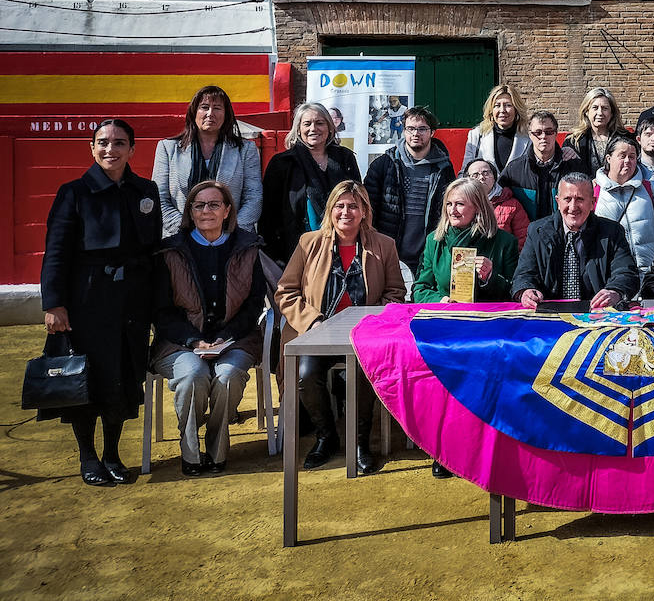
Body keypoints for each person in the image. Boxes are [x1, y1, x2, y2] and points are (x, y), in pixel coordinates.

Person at [41, 118, 162, 487]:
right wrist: (55, 303)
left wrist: (156, 304)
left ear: (132, 149)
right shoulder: (73, 192)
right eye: (103, 142)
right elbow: (56, 252)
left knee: (123, 377)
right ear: (92, 148)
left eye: (119, 143)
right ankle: (88, 456)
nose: (111, 149)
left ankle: (112, 453)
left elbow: (154, 249)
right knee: (85, 379)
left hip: (132, 301)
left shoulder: (146, 189)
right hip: (86, 300)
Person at [276, 180, 405, 475]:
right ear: (330, 210)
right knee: (306, 373)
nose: (346, 212)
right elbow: (286, 292)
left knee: (362, 371)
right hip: (316, 335)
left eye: (353, 206)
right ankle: (326, 436)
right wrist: (313, 321)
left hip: (363, 338)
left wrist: (371, 323)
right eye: (340, 205)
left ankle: (359, 443)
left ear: (364, 211)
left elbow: (396, 293)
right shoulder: (308, 243)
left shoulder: (384, 245)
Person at [150, 180, 267, 476]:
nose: (206, 211)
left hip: (235, 339)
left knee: (227, 377)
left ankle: (217, 449)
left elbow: (254, 305)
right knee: (192, 376)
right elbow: (161, 312)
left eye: (214, 204)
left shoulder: (248, 247)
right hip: (180, 342)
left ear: (227, 210)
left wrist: (225, 338)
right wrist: (193, 341)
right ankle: (190, 452)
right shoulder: (170, 251)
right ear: (190, 210)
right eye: (199, 205)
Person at [411, 177, 519, 476]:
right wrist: (441, 299)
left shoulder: (503, 243)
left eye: (460, 203)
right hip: (447, 327)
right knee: (443, 371)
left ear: (478, 208)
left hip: (489, 329)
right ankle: (445, 449)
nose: (452, 209)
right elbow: (419, 288)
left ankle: (487, 446)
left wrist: (489, 277)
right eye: (448, 203)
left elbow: (515, 292)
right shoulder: (435, 242)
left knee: (487, 370)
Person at [511, 173, 640, 310]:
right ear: (558, 202)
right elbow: (524, 274)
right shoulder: (537, 231)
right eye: (567, 199)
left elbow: (626, 273)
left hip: (596, 314)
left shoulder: (612, 232)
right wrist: (526, 291)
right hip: (549, 314)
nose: (573, 207)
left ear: (592, 203)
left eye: (580, 199)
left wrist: (614, 291)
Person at [259, 102, 361, 270]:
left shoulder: (345, 158)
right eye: (307, 124)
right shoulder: (282, 163)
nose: (314, 128)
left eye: (320, 123)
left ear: (329, 127)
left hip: (344, 247)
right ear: (298, 129)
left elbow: (358, 200)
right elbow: (269, 216)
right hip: (296, 251)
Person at [152, 85, 264, 236]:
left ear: (226, 114)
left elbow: (253, 197)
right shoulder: (168, 148)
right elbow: (160, 197)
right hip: (180, 238)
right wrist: (186, 231)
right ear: (194, 112)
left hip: (231, 238)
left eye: (217, 108)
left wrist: (228, 233)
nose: (210, 113)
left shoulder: (245, 149)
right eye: (204, 107)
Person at [363, 106, 455, 280]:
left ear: (432, 132)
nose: (416, 133)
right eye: (410, 128)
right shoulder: (383, 165)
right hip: (389, 253)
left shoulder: (443, 168)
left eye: (422, 129)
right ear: (404, 131)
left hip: (427, 254)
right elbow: (367, 209)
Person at [594, 136, 654, 278]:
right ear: (608, 158)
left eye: (632, 156)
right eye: (622, 156)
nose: (628, 161)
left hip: (650, 271)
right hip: (612, 275)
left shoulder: (651, 188)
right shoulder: (594, 191)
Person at [499, 111, 588, 221]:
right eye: (538, 132)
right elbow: (498, 198)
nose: (543, 136)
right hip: (527, 234)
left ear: (556, 133)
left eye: (549, 132)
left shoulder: (573, 167)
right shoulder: (514, 170)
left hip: (563, 234)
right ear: (530, 135)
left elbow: (587, 201)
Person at [463, 84, 531, 174]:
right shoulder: (476, 135)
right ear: (491, 109)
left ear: (516, 109)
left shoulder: (530, 137)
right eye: (497, 105)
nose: (502, 110)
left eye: (508, 105)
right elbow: (465, 171)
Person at [566, 86, 635, 173]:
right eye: (595, 108)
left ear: (612, 113)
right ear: (586, 111)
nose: (600, 113)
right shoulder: (573, 141)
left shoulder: (627, 138)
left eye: (605, 108)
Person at [466, 158, 530, 248]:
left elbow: (523, 240)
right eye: (475, 175)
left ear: (494, 177)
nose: (481, 178)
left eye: (486, 173)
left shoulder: (512, 206)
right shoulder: (461, 204)